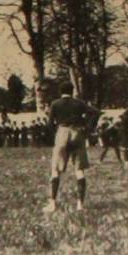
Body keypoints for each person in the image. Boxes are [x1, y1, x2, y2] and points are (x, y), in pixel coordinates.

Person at [43, 82, 100, 213]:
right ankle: (80, 205)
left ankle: (52, 204)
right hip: (77, 133)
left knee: (55, 170)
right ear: (72, 91)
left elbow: (50, 123)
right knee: (79, 170)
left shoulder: (55, 104)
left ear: (60, 91)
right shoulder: (79, 103)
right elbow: (96, 112)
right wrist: (88, 128)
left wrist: (55, 133)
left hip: (62, 132)